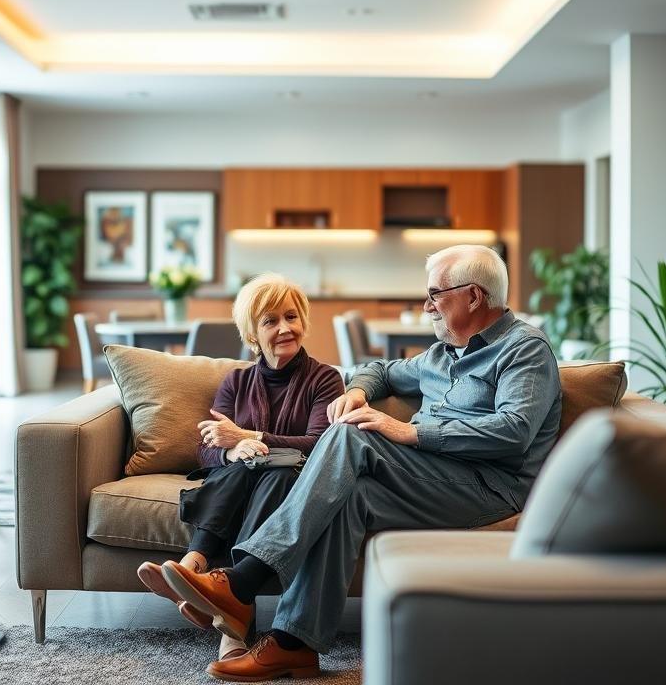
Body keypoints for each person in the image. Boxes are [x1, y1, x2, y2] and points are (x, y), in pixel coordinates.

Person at [161, 244, 563, 681]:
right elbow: (379, 370)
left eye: (435, 294)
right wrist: (356, 391)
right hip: (432, 476)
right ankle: (295, 645)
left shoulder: (524, 349)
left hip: (488, 485)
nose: (427, 306)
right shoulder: (441, 354)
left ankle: (242, 582)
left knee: (350, 434)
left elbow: (514, 431)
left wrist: (409, 432)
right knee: (348, 495)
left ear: (473, 296)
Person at [135, 273, 343, 661]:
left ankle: (211, 593)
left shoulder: (325, 379)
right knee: (239, 467)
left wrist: (248, 436)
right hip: (236, 480)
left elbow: (321, 444)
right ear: (252, 335)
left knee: (274, 474)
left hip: (290, 480)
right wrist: (233, 451)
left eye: (291, 317)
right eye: (271, 321)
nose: (285, 328)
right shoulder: (236, 381)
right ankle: (196, 575)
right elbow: (206, 449)